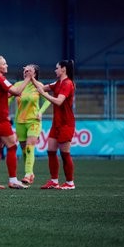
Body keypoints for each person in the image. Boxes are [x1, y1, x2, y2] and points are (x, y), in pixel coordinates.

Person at [0, 55, 30, 189]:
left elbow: (6, 94)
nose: (6, 65)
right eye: (4, 63)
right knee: (12, 146)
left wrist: (20, 86)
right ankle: (13, 180)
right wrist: (28, 78)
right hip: (0, 118)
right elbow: (17, 91)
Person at [32, 59, 77, 190]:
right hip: (56, 123)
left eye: (57, 68)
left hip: (66, 123)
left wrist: (43, 95)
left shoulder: (67, 84)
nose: (55, 70)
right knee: (51, 151)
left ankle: (70, 183)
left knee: (65, 154)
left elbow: (58, 101)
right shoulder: (58, 82)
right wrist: (31, 78)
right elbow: (41, 88)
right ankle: (54, 181)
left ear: (63, 69)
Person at [14, 64, 51, 185]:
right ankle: (29, 172)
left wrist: (40, 112)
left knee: (30, 147)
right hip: (19, 121)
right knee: (24, 149)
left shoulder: (39, 86)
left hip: (33, 121)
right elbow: (7, 98)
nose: (25, 71)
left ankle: (28, 174)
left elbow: (48, 101)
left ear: (34, 73)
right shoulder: (17, 85)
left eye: (29, 70)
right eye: (24, 69)